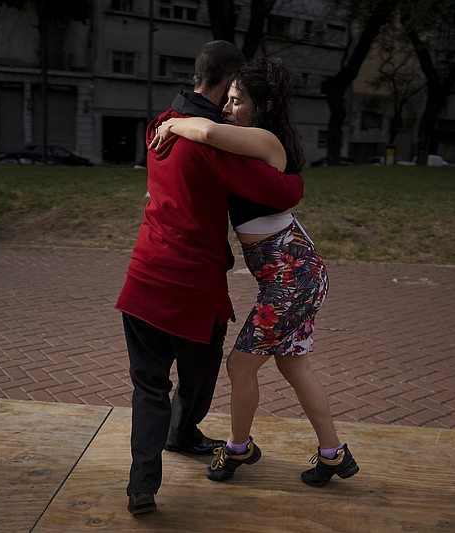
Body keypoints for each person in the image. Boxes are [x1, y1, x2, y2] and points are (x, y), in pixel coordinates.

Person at [116, 41, 305, 516]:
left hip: (141, 277)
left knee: (148, 386)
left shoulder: (159, 123)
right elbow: (283, 189)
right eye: (233, 94)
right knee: (198, 377)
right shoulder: (212, 141)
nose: (231, 104)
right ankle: (181, 434)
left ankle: (143, 485)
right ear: (226, 84)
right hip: (192, 286)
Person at [151, 58, 360, 488]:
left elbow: (206, 131)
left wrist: (171, 126)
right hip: (296, 272)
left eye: (236, 101)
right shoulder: (248, 143)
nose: (227, 108)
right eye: (225, 98)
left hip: (291, 277)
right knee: (294, 365)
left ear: (261, 105)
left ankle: (237, 449)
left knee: (240, 367)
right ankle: (333, 454)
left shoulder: (265, 139)